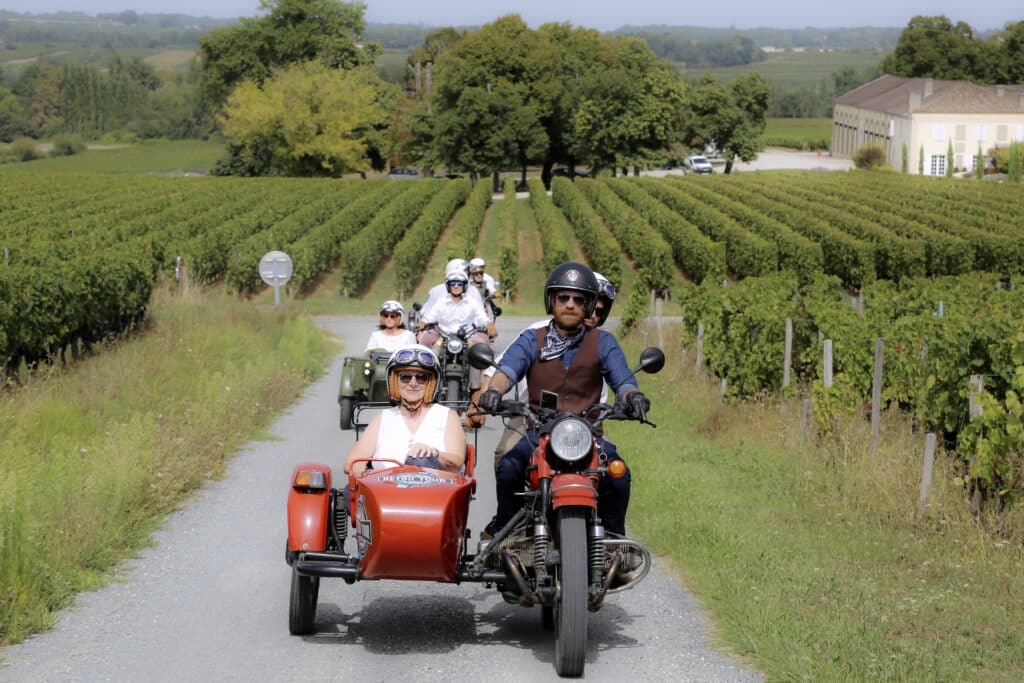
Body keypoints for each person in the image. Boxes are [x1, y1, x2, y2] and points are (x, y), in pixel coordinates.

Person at [475, 262, 650, 539]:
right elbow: (507, 370)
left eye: (578, 299)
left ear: (589, 306)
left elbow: (622, 379)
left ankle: (616, 543)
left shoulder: (603, 342)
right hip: (538, 432)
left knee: (619, 475)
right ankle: (506, 534)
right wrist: (494, 391)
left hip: (589, 434)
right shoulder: (532, 339)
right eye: (563, 297)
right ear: (551, 300)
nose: (570, 304)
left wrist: (633, 397)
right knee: (509, 468)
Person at [344, 345, 466, 475]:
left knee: (422, 459)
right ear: (394, 381)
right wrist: (372, 475)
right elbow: (350, 463)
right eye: (405, 376)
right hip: (385, 490)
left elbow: (457, 462)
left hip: (436, 491)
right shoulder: (383, 417)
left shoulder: (447, 416)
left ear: (431, 382)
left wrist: (434, 453)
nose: (413, 383)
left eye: (421, 377)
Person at [417, 266, 490, 348]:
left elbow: (481, 317)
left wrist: (489, 324)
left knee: (483, 343)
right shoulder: (441, 302)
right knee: (424, 341)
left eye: (460, 283)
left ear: (464, 286)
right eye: (452, 283)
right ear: (448, 286)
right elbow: (431, 316)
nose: (456, 286)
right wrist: (423, 322)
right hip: (443, 337)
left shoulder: (471, 302)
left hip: (468, 338)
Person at [468, 257, 500, 339]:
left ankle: (490, 330)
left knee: (490, 311)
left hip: (484, 302)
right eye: (476, 273)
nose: (479, 275)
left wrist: (494, 293)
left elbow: (492, 289)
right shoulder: (467, 281)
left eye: (481, 272)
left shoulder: (487, 279)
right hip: (471, 304)